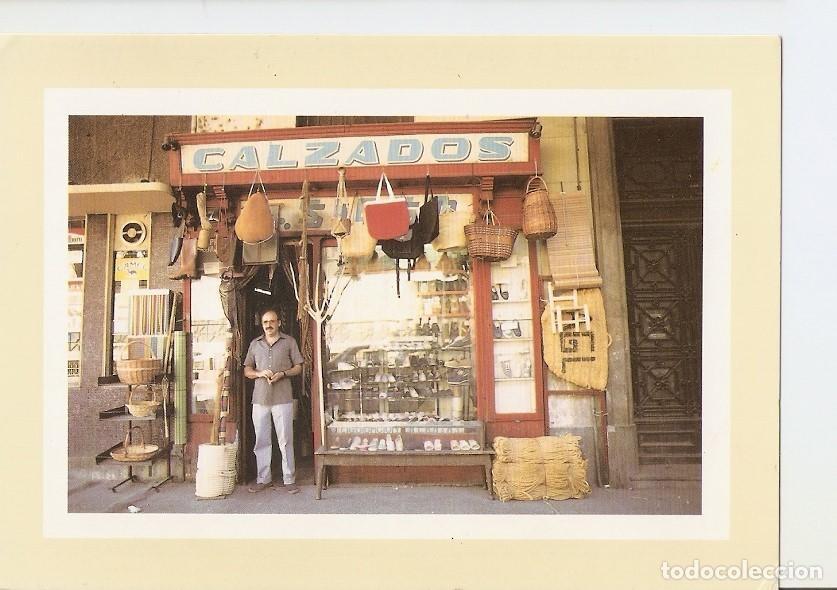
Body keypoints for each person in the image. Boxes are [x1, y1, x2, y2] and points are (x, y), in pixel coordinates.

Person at [243, 308, 304, 494]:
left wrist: (282, 374)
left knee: (285, 440)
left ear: (279, 323)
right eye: (265, 322)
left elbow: (299, 367)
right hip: (260, 398)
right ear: (262, 325)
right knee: (261, 440)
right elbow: (247, 370)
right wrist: (259, 373)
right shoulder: (255, 344)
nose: (268, 325)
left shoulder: (289, 342)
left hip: (283, 397)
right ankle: (263, 478)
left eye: (272, 321)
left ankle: (289, 479)